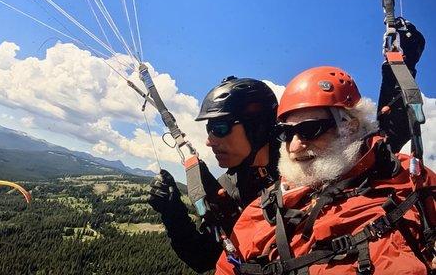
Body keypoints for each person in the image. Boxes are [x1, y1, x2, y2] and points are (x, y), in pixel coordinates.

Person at [215, 64, 435, 275]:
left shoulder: (407, 178)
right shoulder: (260, 212)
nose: (294, 146)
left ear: (350, 127)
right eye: (286, 133)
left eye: (309, 129)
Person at [148, 76, 280, 273]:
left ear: (256, 126)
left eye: (220, 128)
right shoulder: (225, 190)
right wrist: (173, 214)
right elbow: (203, 258)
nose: (209, 141)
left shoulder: (306, 174)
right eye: (209, 129)